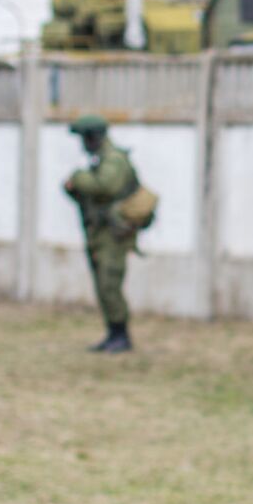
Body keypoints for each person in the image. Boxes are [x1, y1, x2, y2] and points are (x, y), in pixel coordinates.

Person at [63, 114, 142, 353]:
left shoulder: (114, 160)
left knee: (109, 284)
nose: (82, 145)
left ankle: (121, 335)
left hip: (114, 235)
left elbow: (105, 186)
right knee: (103, 285)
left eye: (84, 139)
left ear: (93, 137)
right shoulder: (101, 159)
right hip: (100, 233)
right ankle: (113, 333)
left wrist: (77, 178)